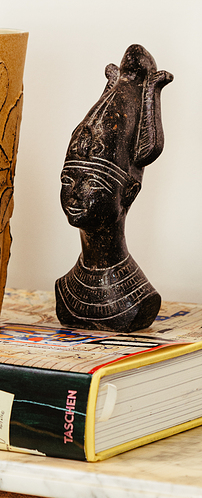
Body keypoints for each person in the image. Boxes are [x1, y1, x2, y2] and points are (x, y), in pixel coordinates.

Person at [55, 44, 172, 332]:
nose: (74, 193)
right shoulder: (65, 289)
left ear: (128, 193)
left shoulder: (140, 299)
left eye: (92, 183)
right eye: (68, 180)